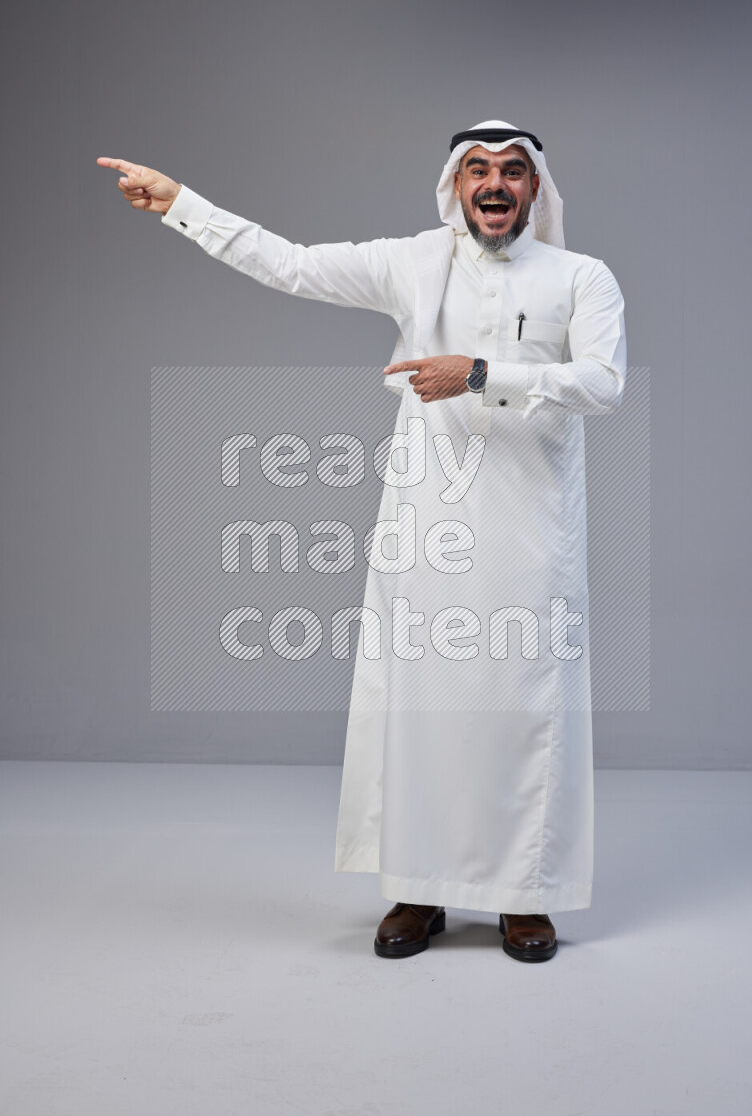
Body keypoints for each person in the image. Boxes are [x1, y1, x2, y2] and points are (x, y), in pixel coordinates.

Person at [98, 120, 626, 963]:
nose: (495, 184)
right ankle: (419, 889)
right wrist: (179, 205)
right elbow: (292, 262)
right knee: (421, 706)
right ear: (456, 185)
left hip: (533, 533)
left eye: (514, 172)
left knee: (528, 705)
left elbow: (602, 382)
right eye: (478, 170)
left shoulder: (581, 277)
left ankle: (526, 896)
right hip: (426, 526)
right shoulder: (411, 263)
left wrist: (482, 372)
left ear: (536, 189)